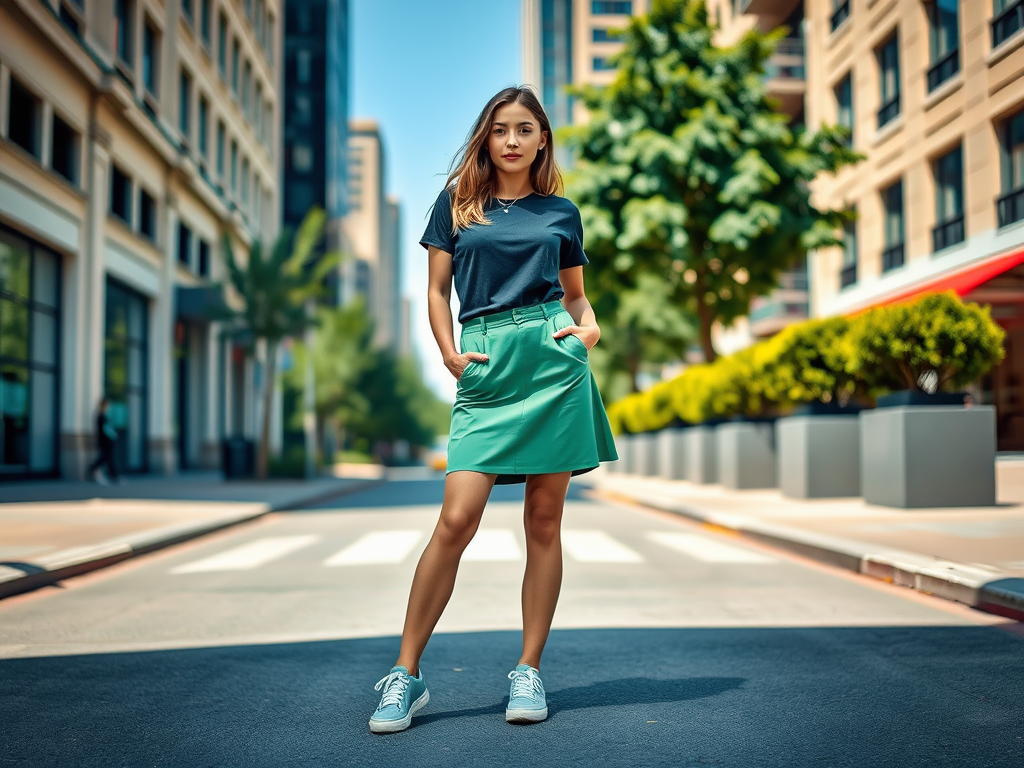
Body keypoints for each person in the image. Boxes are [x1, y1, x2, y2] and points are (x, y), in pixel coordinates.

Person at [368, 85, 618, 734]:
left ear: (542, 140)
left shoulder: (561, 212)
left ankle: (529, 668)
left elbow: (577, 298)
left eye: (525, 129)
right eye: (501, 128)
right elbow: (436, 289)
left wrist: (586, 334)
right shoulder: (455, 206)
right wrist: (449, 353)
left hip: (551, 361)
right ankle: (406, 673)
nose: (512, 139)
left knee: (544, 520)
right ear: (486, 136)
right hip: (484, 361)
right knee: (456, 517)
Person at [87, 397, 120, 485]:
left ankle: (112, 476)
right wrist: (113, 435)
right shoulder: (101, 417)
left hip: (107, 441)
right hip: (105, 441)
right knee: (107, 458)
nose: (108, 407)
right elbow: (105, 429)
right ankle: (94, 469)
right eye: (107, 405)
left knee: (106, 458)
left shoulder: (104, 416)